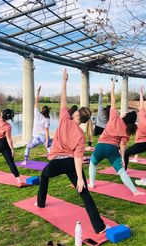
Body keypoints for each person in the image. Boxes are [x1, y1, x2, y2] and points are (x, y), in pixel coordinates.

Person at [36, 68, 107, 234]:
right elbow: (77, 158)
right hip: (69, 163)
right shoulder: (81, 135)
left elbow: (63, 99)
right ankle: (99, 227)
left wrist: (64, 80)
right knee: (84, 194)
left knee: (44, 176)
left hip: (55, 163)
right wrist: (80, 179)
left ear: (76, 116)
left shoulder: (63, 119)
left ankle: (40, 203)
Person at [88, 79, 145, 196]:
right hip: (112, 149)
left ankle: (92, 183)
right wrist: (123, 158)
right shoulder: (127, 131)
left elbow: (113, 102)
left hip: (100, 146)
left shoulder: (114, 116)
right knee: (121, 171)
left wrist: (113, 88)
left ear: (125, 116)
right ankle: (134, 191)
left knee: (92, 164)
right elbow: (123, 146)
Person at [21, 86, 52, 165]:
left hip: (38, 138)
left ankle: (25, 161)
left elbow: (36, 103)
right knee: (51, 151)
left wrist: (38, 92)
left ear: (42, 110)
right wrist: (47, 142)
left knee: (28, 147)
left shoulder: (37, 114)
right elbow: (47, 131)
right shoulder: (47, 119)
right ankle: (56, 162)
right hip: (44, 137)